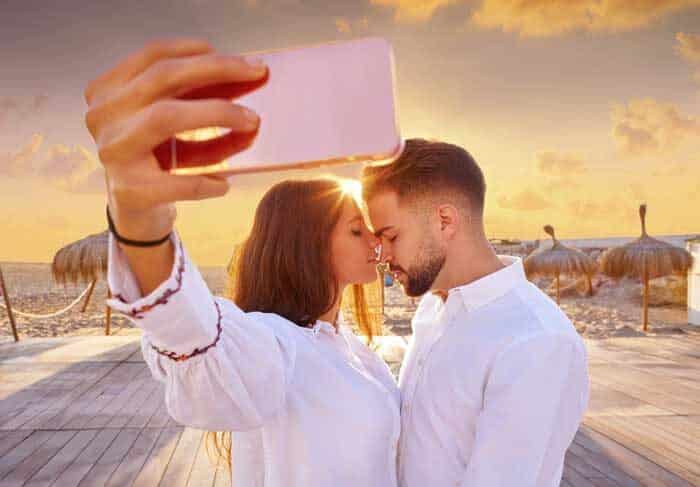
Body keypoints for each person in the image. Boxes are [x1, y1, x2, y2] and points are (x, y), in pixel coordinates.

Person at [86, 38, 400, 487]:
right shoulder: (275, 345)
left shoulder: (354, 348)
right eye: (356, 229)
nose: (374, 239)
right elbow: (198, 340)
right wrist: (140, 221)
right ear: (306, 244)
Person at [361, 138, 590, 487]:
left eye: (391, 236)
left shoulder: (536, 341)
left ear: (444, 220)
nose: (383, 255)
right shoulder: (431, 310)